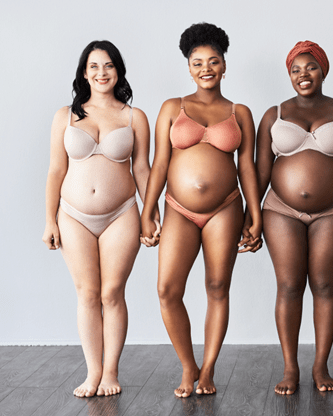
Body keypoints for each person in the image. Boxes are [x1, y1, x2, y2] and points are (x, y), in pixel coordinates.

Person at [140, 22, 262, 397]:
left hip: (225, 208)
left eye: (213, 61)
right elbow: (160, 163)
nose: (205, 68)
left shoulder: (240, 112)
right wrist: (147, 210)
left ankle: (207, 369)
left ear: (224, 65)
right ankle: (187, 365)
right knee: (166, 290)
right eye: (197, 62)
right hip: (178, 209)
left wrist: (254, 214)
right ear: (188, 67)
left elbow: (247, 167)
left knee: (217, 287)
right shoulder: (171, 108)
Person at [43, 40, 153, 397]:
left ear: (118, 70)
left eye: (108, 65)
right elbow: (55, 170)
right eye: (94, 66)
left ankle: (110, 373)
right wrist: (49, 220)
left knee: (111, 293)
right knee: (87, 293)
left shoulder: (134, 117)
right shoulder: (66, 115)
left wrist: (152, 215)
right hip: (72, 216)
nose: (101, 72)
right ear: (84, 72)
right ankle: (92, 373)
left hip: (122, 213)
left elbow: (143, 170)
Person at [254, 40, 333, 395]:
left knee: (324, 285)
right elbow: (259, 171)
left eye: (311, 67)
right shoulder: (274, 114)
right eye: (295, 70)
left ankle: (320, 365)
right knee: (288, 286)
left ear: (323, 70)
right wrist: (250, 216)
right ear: (289, 76)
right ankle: (290, 367)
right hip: (280, 210)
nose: (304, 75)